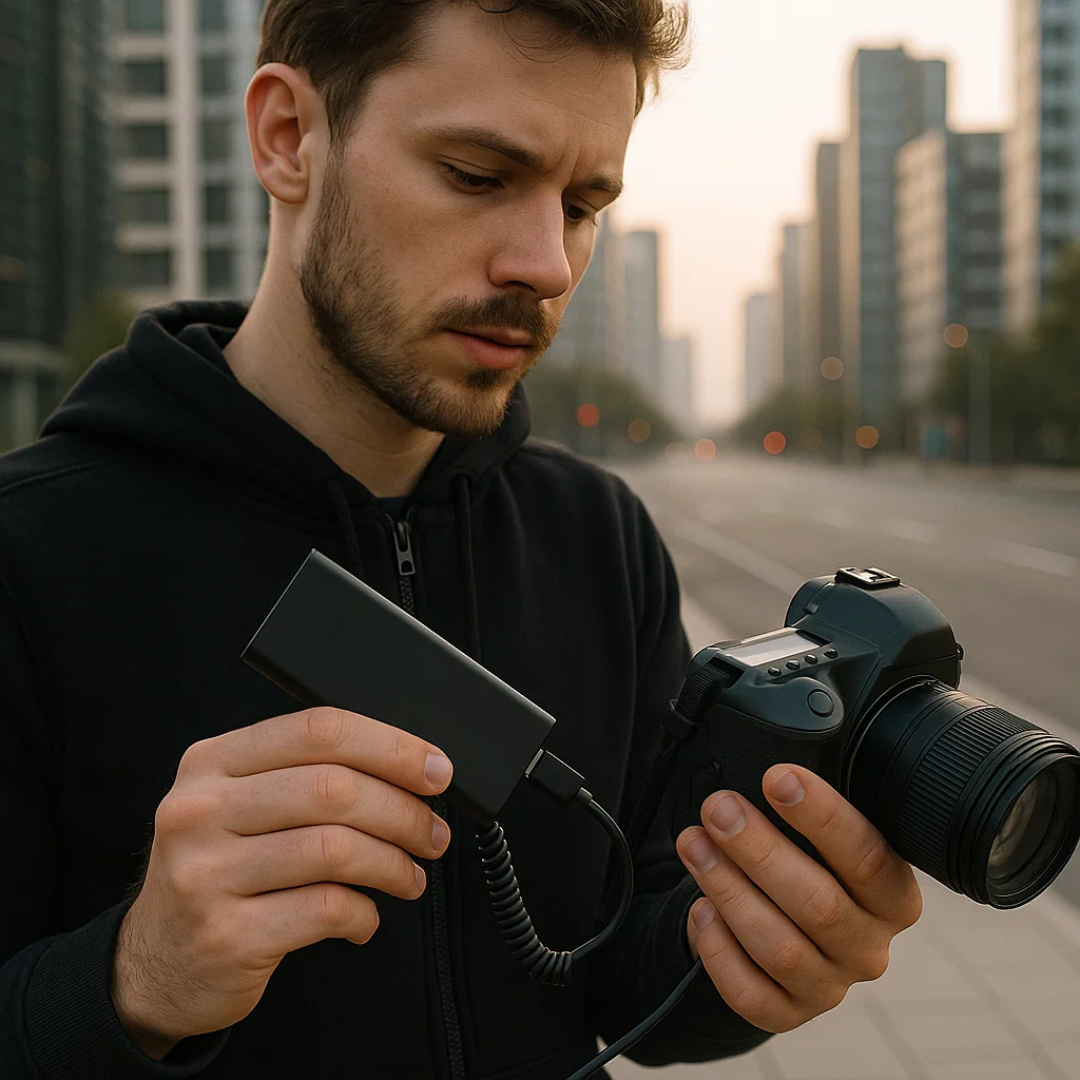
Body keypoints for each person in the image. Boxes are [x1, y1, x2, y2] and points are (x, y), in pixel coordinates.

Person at [0, 2, 923, 1077]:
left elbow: (619, 966)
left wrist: (760, 959)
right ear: (288, 138)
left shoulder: (600, 535)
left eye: (583, 205)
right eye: (478, 176)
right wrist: (136, 980)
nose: (546, 262)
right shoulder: (31, 557)